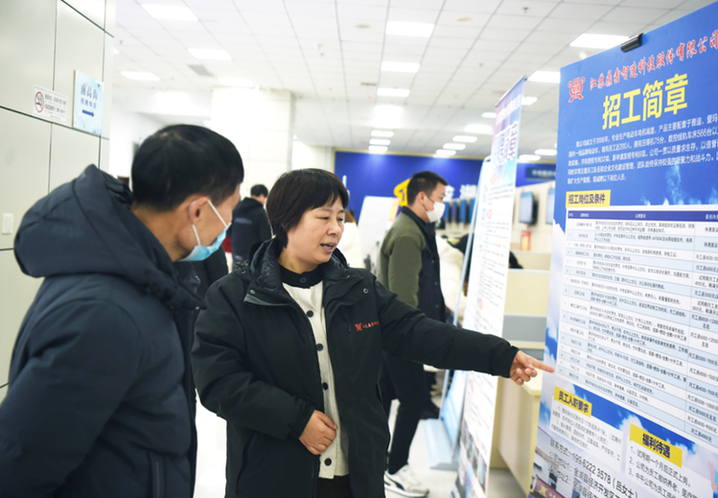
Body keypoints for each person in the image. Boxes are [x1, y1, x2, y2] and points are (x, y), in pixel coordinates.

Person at [191, 168, 552, 498]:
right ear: (286, 221)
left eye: (340, 218)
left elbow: (420, 333)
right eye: (323, 217)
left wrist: (500, 356)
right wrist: (295, 419)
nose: (336, 229)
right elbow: (218, 381)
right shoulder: (235, 295)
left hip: (356, 478)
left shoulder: (359, 290)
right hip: (274, 478)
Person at [0, 125, 243, 497]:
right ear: (197, 210)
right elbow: (21, 466)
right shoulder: (106, 314)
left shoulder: (147, 281)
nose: (229, 222)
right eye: (230, 209)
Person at [377, 170, 450, 496]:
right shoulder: (407, 234)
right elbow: (403, 298)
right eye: (440, 199)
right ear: (422, 197)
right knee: (415, 399)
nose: (442, 205)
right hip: (400, 336)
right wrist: (417, 338)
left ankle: (378, 463)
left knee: (386, 396)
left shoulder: (416, 228)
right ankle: (395, 468)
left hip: (394, 334)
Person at [230, 183, 272, 264]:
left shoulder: (237, 209)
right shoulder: (260, 213)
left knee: (237, 271)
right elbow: (266, 238)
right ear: (262, 195)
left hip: (236, 254)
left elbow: (229, 231)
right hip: (252, 258)